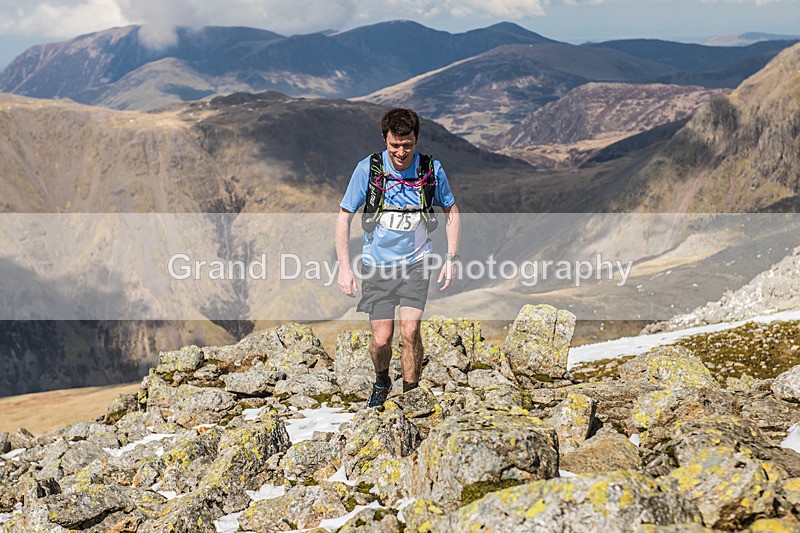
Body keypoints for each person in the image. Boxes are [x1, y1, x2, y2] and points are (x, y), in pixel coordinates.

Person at [336, 108, 461, 407]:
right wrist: (344, 266)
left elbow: (451, 212)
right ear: (385, 139)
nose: (401, 152)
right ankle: (382, 380)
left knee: (410, 330)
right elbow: (344, 216)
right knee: (381, 339)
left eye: (407, 145)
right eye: (395, 145)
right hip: (377, 266)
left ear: (416, 139)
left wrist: (451, 258)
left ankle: (411, 395)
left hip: (417, 263)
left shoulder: (431, 170)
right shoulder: (368, 169)